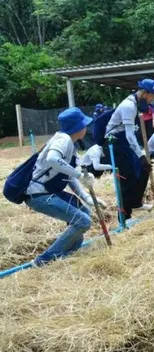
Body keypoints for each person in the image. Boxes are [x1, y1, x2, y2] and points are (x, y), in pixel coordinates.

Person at [25, 108, 106, 266]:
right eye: (84, 125)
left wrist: (86, 197)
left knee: (84, 213)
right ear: (78, 127)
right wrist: (81, 176)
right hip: (39, 195)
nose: (86, 128)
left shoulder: (69, 143)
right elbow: (53, 159)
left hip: (48, 192)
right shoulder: (63, 140)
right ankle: (44, 260)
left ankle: (68, 254)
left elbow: (66, 175)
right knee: (83, 221)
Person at [105, 79, 154, 218]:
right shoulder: (129, 106)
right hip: (114, 143)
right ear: (145, 93)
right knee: (127, 177)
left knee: (144, 169)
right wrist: (141, 156)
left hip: (125, 142)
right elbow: (130, 136)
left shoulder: (136, 105)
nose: (153, 99)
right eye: (152, 95)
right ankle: (124, 216)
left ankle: (136, 202)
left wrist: (141, 158)